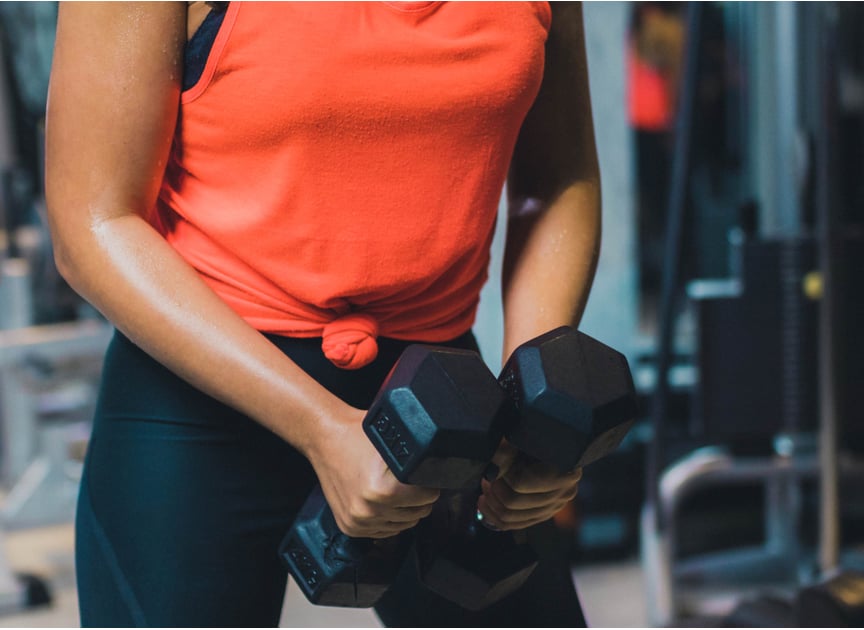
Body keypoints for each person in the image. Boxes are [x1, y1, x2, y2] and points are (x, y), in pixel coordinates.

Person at [44, 1, 600, 626]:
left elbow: (556, 181)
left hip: (443, 397)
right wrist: (322, 427)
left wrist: (533, 404)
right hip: (200, 395)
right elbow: (93, 223)